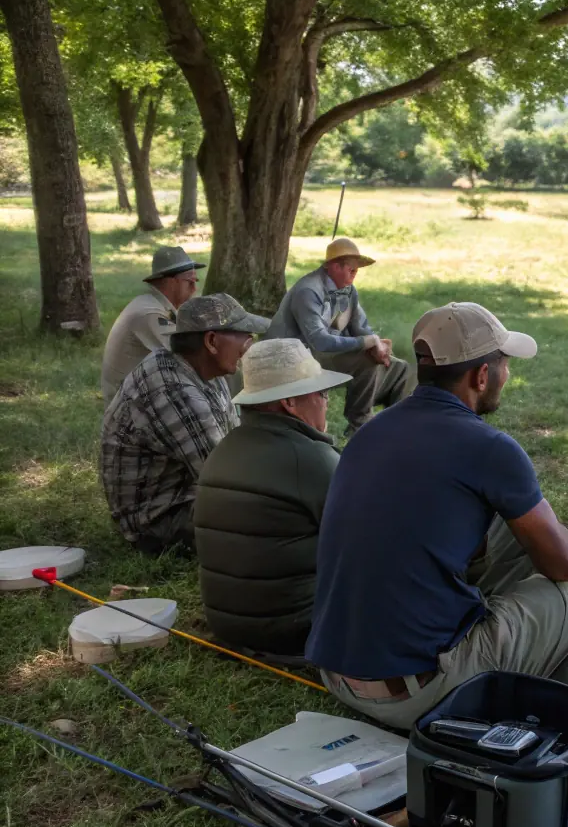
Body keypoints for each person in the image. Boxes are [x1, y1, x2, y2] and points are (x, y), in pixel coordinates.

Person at [305, 302, 568, 730]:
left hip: (340, 676)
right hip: (420, 694)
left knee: (512, 531)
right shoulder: (491, 448)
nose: (507, 375)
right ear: (481, 375)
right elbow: (565, 563)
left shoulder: (369, 433)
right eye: (504, 364)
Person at [194, 339, 352, 657]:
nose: (326, 402)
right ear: (290, 402)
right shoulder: (311, 459)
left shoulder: (223, 449)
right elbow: (366, 544)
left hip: (228, 626)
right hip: (295, 630)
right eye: (320, 393)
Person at [100, 294, 270, 555]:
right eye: (246, 337)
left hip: (186, 493)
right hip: (156, 521)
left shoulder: (203, 371)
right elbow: (226, 481)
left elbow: (232, 443)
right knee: (273, 522)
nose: (249, 346)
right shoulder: (174, 390)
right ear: (212, 341)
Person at [265, 236, 411, 436]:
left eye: (357, 270)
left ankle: (400, 429)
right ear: (334, 267)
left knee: (399, 368)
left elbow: (361, 327)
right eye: (351, 269)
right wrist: (366, 343)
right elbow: (319, 341)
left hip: (319, 353)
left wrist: (377, 346)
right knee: (366, 361)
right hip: (294, 356)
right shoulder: (309, 290)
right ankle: (360, 428)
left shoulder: (349, 291)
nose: (355, 274)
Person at [100, 245, 205, 406]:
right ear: (171, 282)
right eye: (189, 282)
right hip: (128, 408)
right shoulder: (150, 313)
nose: (194, 289)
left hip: (135, 395)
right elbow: (188, 357)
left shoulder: (154, 305)